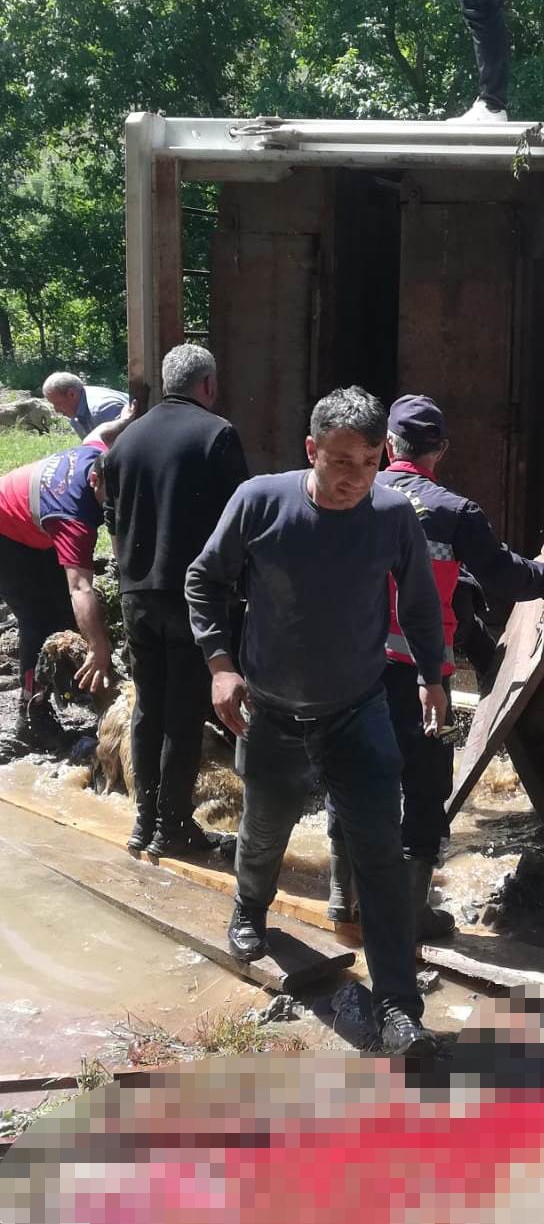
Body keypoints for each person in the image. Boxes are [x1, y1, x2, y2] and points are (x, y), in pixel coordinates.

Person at [185, 386, 446, 1058]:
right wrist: (220, 664)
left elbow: (418, 603)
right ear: (311, 450)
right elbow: (204, 579)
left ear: (382, 455)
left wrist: (432, 674)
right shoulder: (260, 501)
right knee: (264, 829)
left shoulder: (391, 515)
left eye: (366, 460)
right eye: (338, 460)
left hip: (357, 711)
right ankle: (249, 907)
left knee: (379, 854)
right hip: (270, 710)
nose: (351, 476)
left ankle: (398, 1008)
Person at [327, 394, 544, 941]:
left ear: (387, 444)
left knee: (350, 772)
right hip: (422, 678)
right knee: (421, 786)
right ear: (440, 449)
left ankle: (342, 901)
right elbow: (505, 576)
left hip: (350, 669)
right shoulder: (454, 511)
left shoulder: (351, 491)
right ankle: (410, 914)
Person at [102, 344, 248, 859]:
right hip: (194, 596)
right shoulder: (217, 435)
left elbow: (112, 520)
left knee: (150, 708)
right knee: (185, 712)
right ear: (207, 384)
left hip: (136, 594)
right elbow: (240, 523)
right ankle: (175, 827)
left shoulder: (122, 443)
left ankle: (144, 824)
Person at [0, 410, 134, 747]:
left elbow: (105, 430)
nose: (114, 507)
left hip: (32, 527)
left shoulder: (97, 452)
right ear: (94, 481)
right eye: (111, 497)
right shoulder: (74, 517)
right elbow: (81, 587)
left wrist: (129, 417)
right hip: (5, 535)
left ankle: (68, 685)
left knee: (63, 614)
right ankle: (32, 716)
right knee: (38, 618)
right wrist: (100, 647)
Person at [42, 372, 129, 439]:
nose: (56, 410)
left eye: (57, 404)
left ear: (72, 394)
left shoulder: (103, 410)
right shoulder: (76, 411)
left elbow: (126, 449)